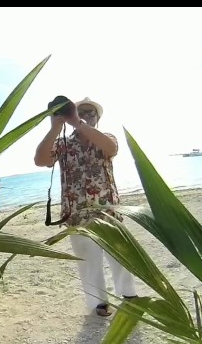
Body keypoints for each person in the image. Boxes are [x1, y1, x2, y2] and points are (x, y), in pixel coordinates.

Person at [34, 97, 138, 317]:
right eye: (81, 112)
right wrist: (55, 127)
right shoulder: (63, 144)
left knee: (121, 256)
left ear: (98, 118)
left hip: (108, 210)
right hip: (77, 215)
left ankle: (129, 296)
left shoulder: (106, 138)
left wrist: (78, 123)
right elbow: (41, 160)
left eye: (91, 113)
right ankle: (99, 303)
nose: (86, 115)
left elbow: (111, 148)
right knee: (88, 262)